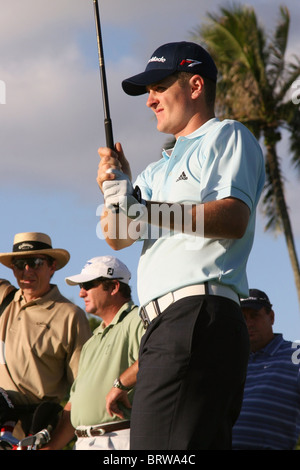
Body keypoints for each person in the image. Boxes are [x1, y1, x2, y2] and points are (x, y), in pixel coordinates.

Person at [97, 41, 265, 450]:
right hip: (164, 326)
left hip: (197, 315)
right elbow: (119, 234)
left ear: (194, 85)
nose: (149, 100)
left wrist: (143, 208)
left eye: (158, 86)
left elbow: (232, 218)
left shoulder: (227, 135)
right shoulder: (157, 168)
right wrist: (114, 190)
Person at [42, 255, 144, 450]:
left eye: (88, 285)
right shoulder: (91, 341)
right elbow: (74, 403)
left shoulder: (136, 320)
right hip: (83, 441)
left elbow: (158, 357)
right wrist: (50, 447)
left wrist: (120, 384)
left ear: (114, 287)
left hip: (118, 438)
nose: (81, 294)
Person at [0, 232, 91, 443]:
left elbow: (83, 390)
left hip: (34, 434)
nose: (27, 270)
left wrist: (54, 445)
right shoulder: (4, 296)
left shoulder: (70, 316)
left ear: (52, 266)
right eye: (20, 263)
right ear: (12, 269)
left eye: (36, 262)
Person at [232, 289, 300, 450]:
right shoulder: (230, 361)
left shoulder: (296, 354)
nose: (248, 323)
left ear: (271, 317)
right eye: (243, 316)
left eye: (254, 315)